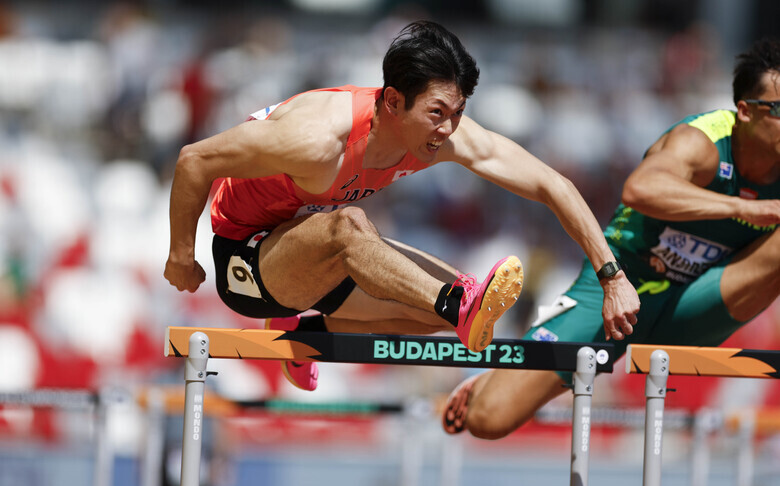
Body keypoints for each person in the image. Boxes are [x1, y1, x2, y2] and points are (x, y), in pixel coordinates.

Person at [164, 21, 640, 392]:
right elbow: (194, 160)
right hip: (245, 259)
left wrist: (612, 276)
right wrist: (182, 256)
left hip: (312, 253)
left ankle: (305, 333)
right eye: (437, 114)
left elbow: (550, 184)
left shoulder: (441, 132)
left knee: (446, 313)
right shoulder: (313, 139)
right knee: (351, 227)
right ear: (393, 101)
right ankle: (457, 302)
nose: (449, 130)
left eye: (458, 114)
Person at [442, 37, 780, 439]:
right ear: (745, 111)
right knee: (487, 421)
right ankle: (486, 384)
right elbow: (641, 190)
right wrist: (746, 208)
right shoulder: (703, 142)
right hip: (618, 291)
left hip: (698, 303)